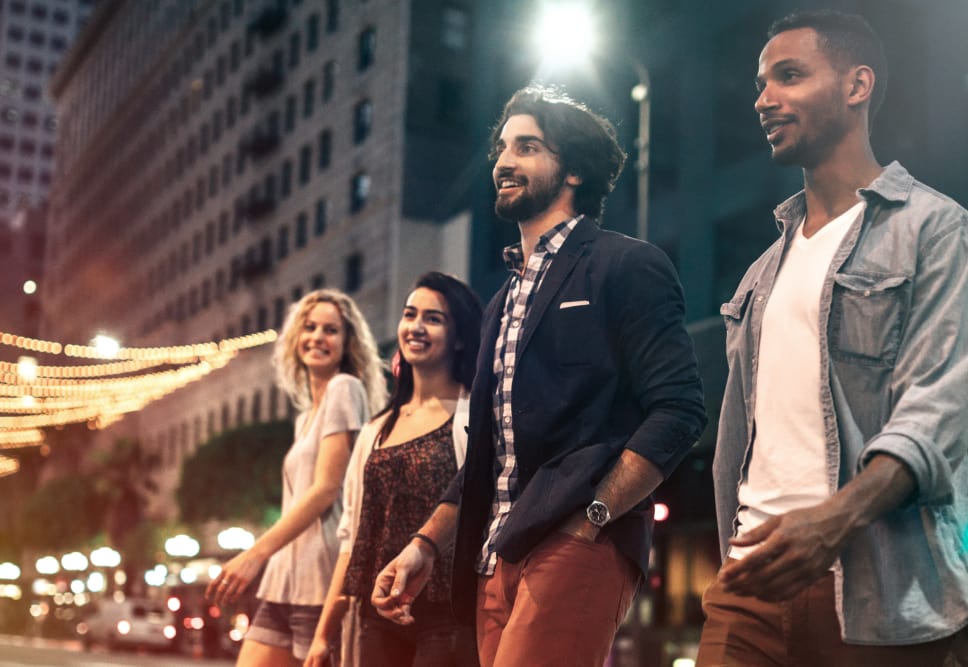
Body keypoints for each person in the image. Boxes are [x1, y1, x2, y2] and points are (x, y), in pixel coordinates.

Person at [371, 87, 707, 667]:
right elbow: (487, 456)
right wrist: (425, 546)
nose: (504, 161)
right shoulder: (501, 303)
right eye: (503, 147)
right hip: (493, 552)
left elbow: (679, 411)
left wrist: (595, 516)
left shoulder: (626, 265)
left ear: (573, 169)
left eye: (528, 147)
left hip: (576, 541)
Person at [698, 10, 968, 666]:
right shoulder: (762, 272)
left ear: (857, 86)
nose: (764, 99)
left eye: (789, 76)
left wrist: (836, 519)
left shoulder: (933, 228)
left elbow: (939, 405)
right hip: (748, 587)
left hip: (881, 589)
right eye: (762, 82)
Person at [304, 271, 483, 667]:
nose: (416, 327)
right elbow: (352, 539)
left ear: (460, 338)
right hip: (377, 615)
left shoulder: (474, 419)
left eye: (433, 319)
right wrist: (323, 635)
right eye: (409, 314)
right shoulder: (375, 430)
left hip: (448, 616)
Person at [206, 289, 386, 667]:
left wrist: (254, 554)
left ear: (347, 343)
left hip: (319, 582)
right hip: (282, 581)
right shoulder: (305, 416)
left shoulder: (344, 388)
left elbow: (325, 491)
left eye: (331, 330)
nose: (318, 337)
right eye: (310, 327)